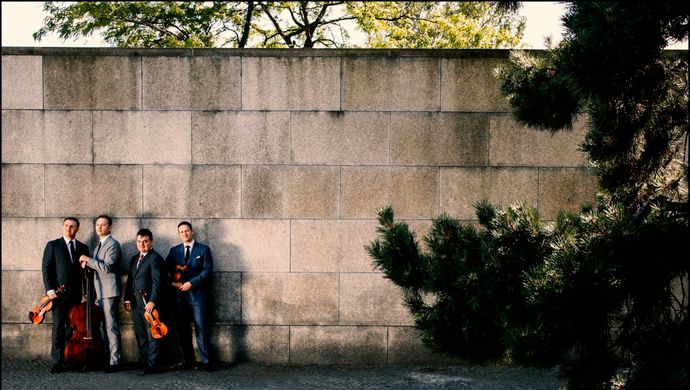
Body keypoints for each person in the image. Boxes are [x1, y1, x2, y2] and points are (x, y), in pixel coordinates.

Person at [41, 217, 89, 373]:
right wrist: (50, 290)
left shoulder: (83, 247)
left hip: (76, 296)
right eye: (67, 226)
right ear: (63, 227)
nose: (69, 228)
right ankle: (57, 361)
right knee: (58, 327)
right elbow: (46, 269)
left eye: (73, 226)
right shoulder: (53, 245)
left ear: (77, 229)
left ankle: (72, 356)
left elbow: (85, 274)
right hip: (58, 296)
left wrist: (86, 293)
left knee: (74, 328)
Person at [165, 221, 214, 372]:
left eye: (187, 231)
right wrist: (172, 283)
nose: (184, 233)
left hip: (198, 296)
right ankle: (189, 361)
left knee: (201, 328)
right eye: (181, 232)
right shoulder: (174, 251)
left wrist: (191, 284)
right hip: (180, 297)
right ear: (179, 234)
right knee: (183, 329)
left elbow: (207, 271)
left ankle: (207, 361)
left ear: (192, 231)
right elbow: (165, 270)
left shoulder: (203, 249)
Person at [78, 215, 123, 373]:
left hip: (109, 292)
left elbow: (107, 267)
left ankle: (115, 361)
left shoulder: (113, 244)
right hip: (98, 293)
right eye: (97, 225)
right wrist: (87, 264)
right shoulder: (98, 246)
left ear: (110, 227)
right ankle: (105, 358)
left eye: (103, 225)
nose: (99, 227)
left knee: (111, 327)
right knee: (102, 327)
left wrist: (88, 260)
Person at [124, 228, 166, 375]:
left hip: (149, 304)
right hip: (136, 303)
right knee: (141, 333)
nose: (142, 244)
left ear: (151, 242)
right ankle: (144, 361)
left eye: (145, 241)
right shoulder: (135, 258)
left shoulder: (155, 258)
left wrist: (152, 301)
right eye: (139, 241)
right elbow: (131, 280)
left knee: (152, 334)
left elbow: (157, 282)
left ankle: (152, 365)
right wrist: (127, 298)